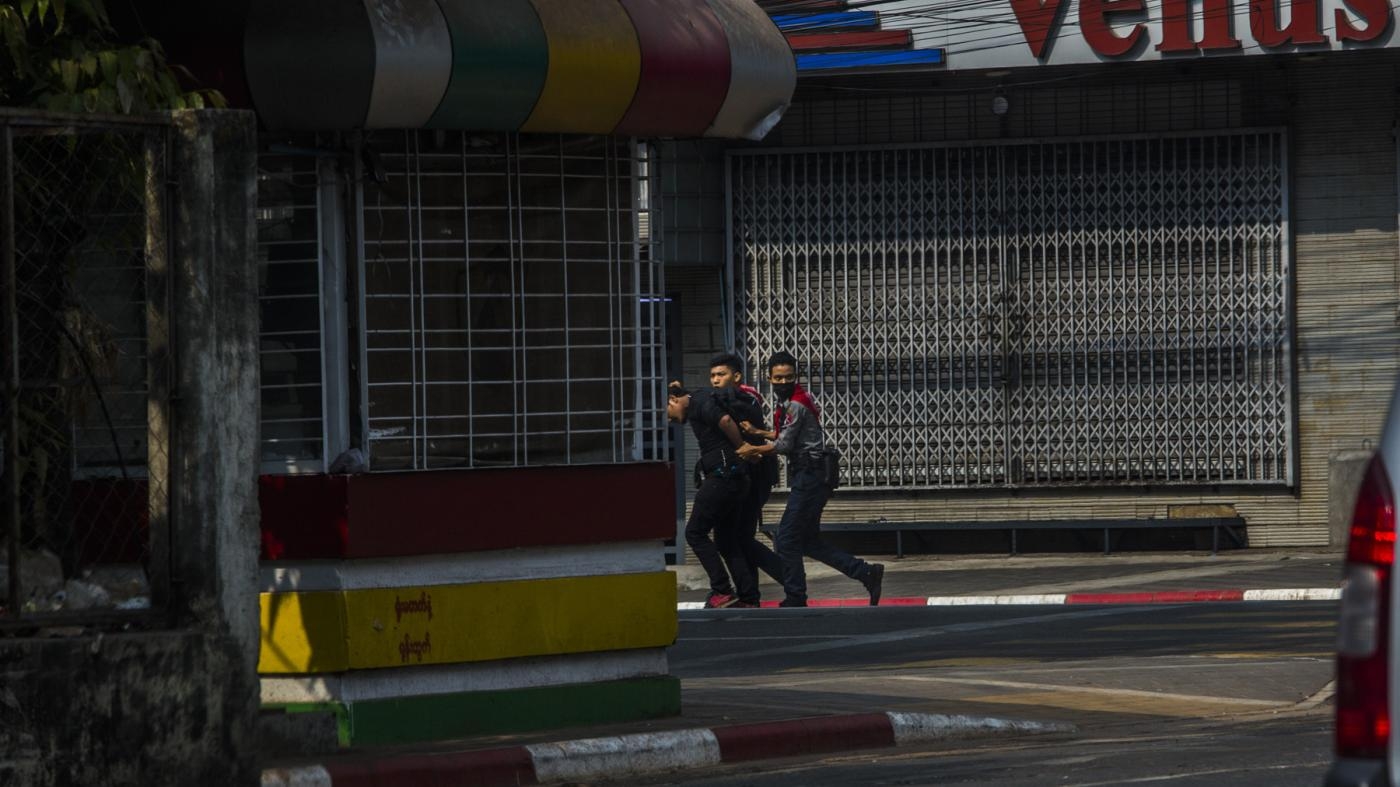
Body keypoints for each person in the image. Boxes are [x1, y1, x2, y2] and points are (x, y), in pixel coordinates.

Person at [736, 351, 884, 607]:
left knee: (786, 536)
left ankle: (795, 595)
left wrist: (753, 448)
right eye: (778, 378)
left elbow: (783, 445)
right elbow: (788, 436)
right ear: (769, 377)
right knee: (807, 541)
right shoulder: (793, 400)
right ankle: (865, 572)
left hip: (811, 475)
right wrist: (759, 432)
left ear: (796, 377)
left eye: (788, 377)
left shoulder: (796, 403)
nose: (783, 382)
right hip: (811, 475)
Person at [667, 381, 752, 609]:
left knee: (694, 533)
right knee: (726, 541)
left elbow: (724, 421)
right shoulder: (702, 398)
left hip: (722, 477)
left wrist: (742, 446)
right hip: (736, 478)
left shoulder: (700, 403)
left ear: (673, 401)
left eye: (667, 413)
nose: (669, 420)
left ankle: (722, 590)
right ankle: (748, 596)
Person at [708, 352, 784, 607]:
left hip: (754, 476)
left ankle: (788, 577)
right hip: (745, 476)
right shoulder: (730, 397)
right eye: (713, 376)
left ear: (737, 376)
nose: (716, 380)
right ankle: (750, 595)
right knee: (739, 536)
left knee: (738, 537)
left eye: (721, 375)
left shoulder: (743, 398)